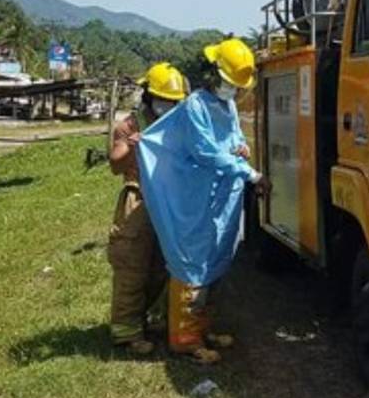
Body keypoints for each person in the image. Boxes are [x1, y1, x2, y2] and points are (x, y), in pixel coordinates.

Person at [136, 37, 268, 364]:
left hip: (223, 196)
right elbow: (205, 152)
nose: (230, 90)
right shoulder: (195, 106)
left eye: (235, 86)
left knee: (215, 261)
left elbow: (234, 140)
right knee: (192, 262)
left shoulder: (228, 105)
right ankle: (184, 339)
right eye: (226, 83)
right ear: (211, 73)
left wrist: (242, 149)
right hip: (196, 194)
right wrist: (251, 174)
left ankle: (202, 328)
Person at [106, 61, 188, 356]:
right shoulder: (129, 125)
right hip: (138, 200)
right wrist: (131, 147)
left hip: (169, 200)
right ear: (148, 97)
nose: (167, 107)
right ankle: (127, 333)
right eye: (163, 100)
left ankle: (149, 320)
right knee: (132, 266)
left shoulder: (178, 126)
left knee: (163, 267)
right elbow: (115, 165)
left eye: (174, 102)